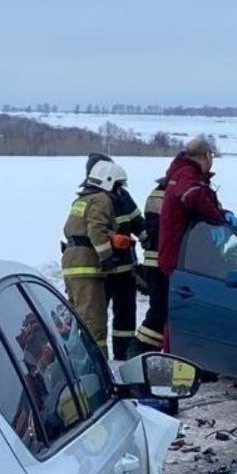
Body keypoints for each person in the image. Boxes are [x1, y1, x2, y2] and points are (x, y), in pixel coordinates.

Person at [62, 159, 137, 358]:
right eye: (118, 186)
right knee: (94, 324)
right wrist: (106, 256)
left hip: (72, 263)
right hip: (86, 267)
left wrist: (113, 238)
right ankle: (99, 372)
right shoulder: (102, 199)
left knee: (78, 321)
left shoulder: (83, 199)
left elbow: (79, 230)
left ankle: (76, 365)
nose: (119, 191)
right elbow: (95, 229)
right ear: (108, 181)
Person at [157, 135, 237, 300]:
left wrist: (223, 214)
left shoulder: (184, 173)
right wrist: (219, 221)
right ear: (207, 155)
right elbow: (194, 197)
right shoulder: (186, 174)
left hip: (185, 255)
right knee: (182, 309)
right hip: (181, 257)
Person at [83, 152, 142, 358]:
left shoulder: (123, 196)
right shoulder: (92, 199)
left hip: (125, 268)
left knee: (126, 316)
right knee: (96, 317)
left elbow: (137, 222)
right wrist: (106, 256)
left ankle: (123, 357)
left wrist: (148, 240)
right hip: (102, 270)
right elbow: (92, 231)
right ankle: (98, 361)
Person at [131, 176, 168, 355]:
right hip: (160, 262)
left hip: (153, 260)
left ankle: (140, 353)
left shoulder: (156, 193)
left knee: (158, 310)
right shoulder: (172, 194)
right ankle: (139, 353)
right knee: (158, 312)